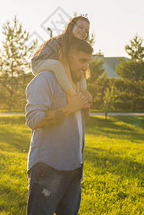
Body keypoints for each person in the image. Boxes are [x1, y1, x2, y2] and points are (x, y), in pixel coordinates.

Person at [25, 37, 94, 215]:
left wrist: (85, 108)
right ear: (66, 58)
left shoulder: (76, 85)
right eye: (82, 61)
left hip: (74, 168)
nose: (86, 67)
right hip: (48, 168)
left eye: (88, 62)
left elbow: (77, 123)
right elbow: (34, 120)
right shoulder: (45, 80)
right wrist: (72, 107)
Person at [31, 14, 90, 101]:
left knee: (81, 67)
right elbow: (64, 66)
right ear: (71, 27)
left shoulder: (77, 47)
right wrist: (73, 91)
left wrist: (84, 90)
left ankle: (84, 93)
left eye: (86, 30)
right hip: (38, 64)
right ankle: (73, 95)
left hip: (56, 65)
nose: (83, 31)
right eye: (80, 27)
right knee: (57, 65)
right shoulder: (61, 42)